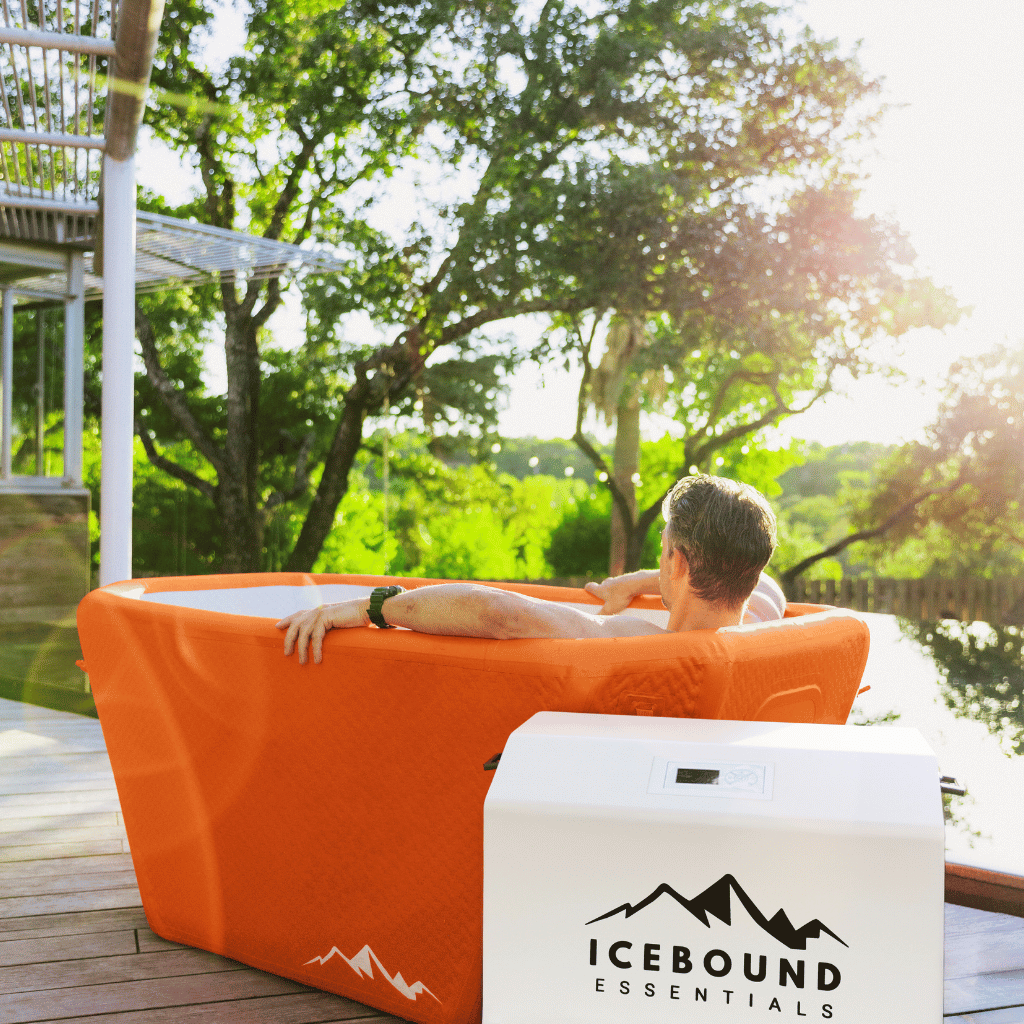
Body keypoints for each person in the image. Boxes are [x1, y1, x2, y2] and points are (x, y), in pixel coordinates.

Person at [278, 473, 784, 665]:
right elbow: (767, 587)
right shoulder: (768, 634)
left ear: (679, 561)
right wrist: (647, 581)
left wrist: (371, 607)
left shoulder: (634, 643)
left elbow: (495, 612)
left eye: (662, 549)